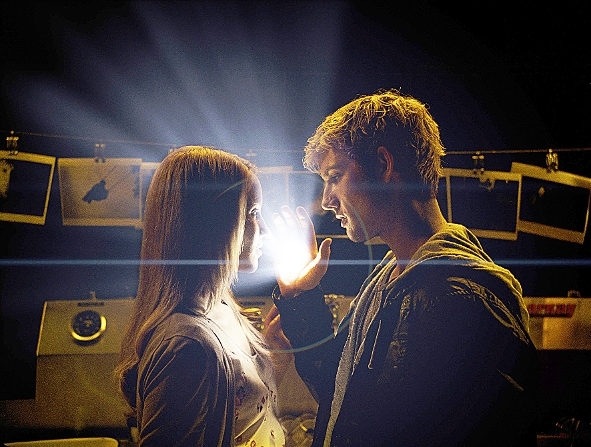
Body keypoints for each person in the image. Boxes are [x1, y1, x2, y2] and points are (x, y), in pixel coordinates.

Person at [266, 89, 541, 447]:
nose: (327, 200)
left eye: (335, 176)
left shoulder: (459, 299)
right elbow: (343, 398)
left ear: (383, 165)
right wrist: (300, 298)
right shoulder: (389, 280)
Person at [115, 146, 286, 447]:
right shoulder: (185, 346)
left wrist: (275, 355)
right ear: (213, 223)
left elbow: (246, 412)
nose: (264, 230)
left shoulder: (223, 307)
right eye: (252, 213)